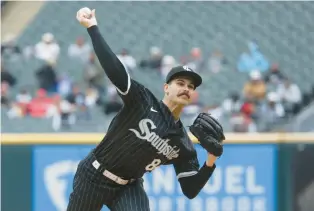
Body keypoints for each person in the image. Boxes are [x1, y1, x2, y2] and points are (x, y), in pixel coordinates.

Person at [67, 7, 225, 211]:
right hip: (93, 176)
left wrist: (211, 160)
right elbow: (114, 69)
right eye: (181, 83)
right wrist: (92, 28)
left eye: (190, 87)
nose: (186, 88)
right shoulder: (142, 100)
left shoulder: (182, 143)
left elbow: (190, 189)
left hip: (128, 187)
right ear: (166, 88)